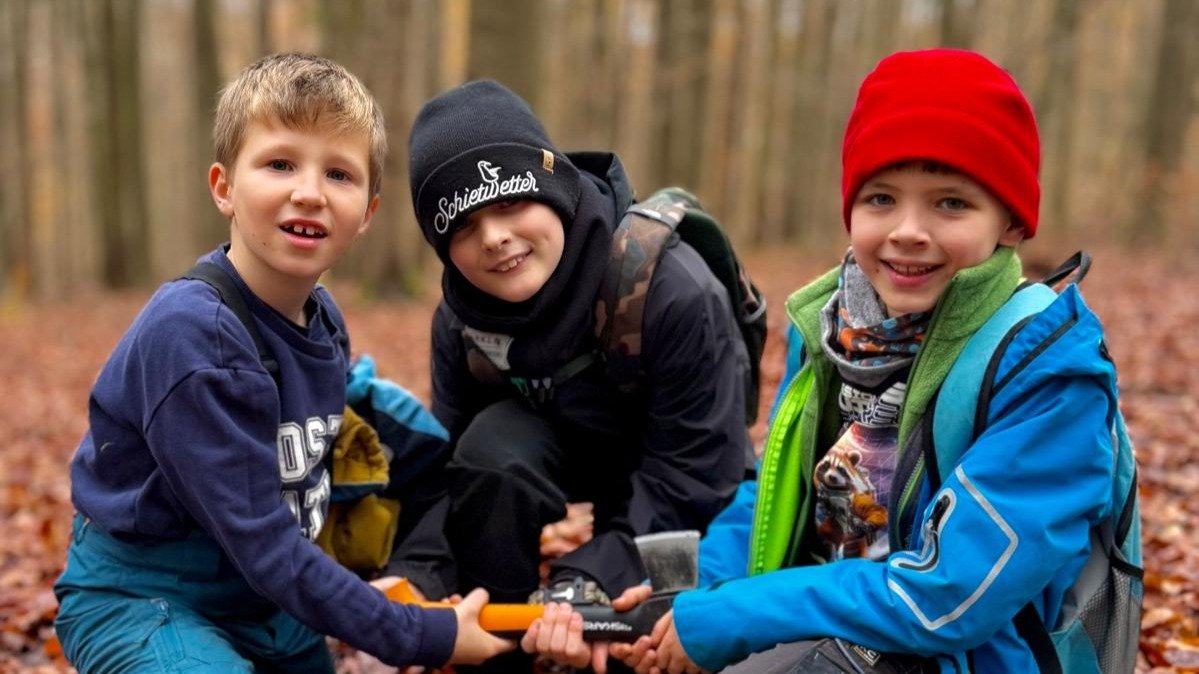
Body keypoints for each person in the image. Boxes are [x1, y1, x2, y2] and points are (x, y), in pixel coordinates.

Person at [539, 48, 1128, 674]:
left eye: (950, 203)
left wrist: (736, 616)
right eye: (880, 199)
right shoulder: (833, 332)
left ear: (1011, 223)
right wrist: (688, 597)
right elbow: (773, 501)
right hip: (827, 623)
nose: (907, 229)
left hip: (970, 653)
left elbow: (952, 594)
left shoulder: (1046, 369)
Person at [53, 53, 512, 673]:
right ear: (224, 187)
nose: (309, 192)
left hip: (267, 602)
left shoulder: (323, 321)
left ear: (368, 214)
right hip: (144, 596)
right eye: (279, 164)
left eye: (340, 175)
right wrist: (420, 634)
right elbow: (265, 543)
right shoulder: (192, 334)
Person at [407, 80, 753, 672]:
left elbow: (697, 477)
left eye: (511, 203)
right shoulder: (461, 320)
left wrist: (588, 580)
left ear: (555, 190)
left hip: (680, 464)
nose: (494, 238)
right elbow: (442, 470)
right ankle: (498, 649)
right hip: (556, 443)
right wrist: (416, 582)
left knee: (638, 635)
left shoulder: (671, 288)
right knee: (487, 453)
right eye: (461, 226)